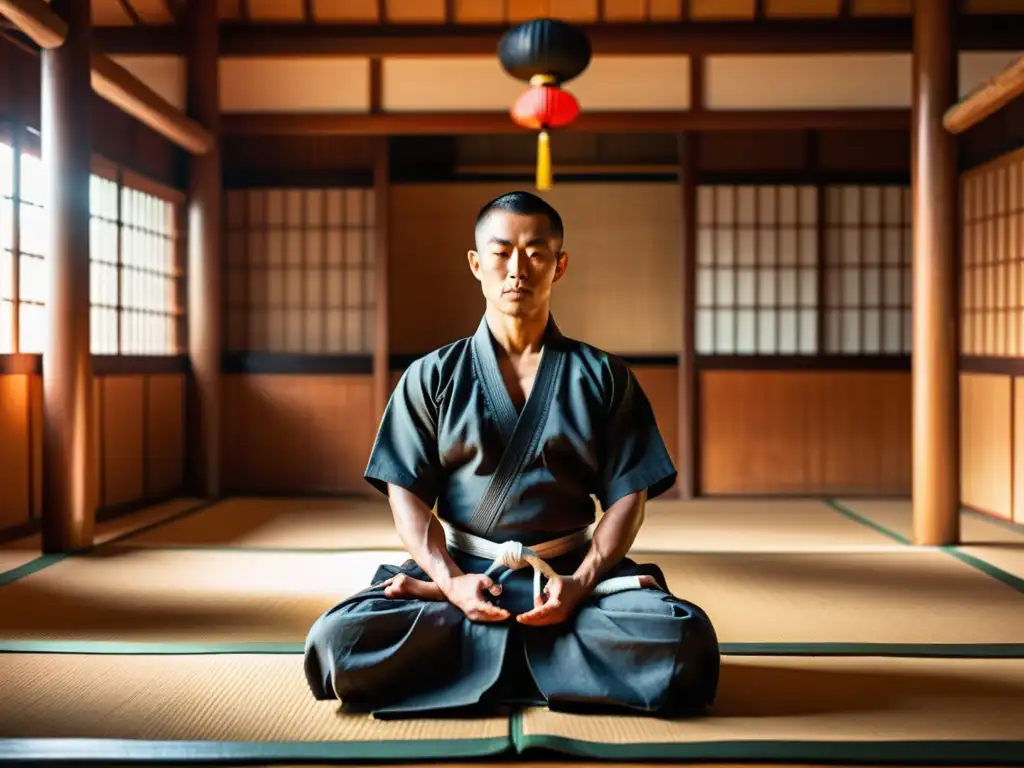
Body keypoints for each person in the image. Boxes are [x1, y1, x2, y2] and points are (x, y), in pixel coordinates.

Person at [304, 191, 720, 719]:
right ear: (477, 263)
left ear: (559, 265)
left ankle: (489, 653)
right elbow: (405, 493)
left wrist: (584, 580)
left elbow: (627, 499)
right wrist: (449, 582)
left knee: (686, 643)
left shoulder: (603, 377)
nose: (517, 269)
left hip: (566, 578)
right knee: (337, 640)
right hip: (462, 573)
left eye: (536, 253)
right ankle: (550, 656)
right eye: (501, 253)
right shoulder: (431, 376)